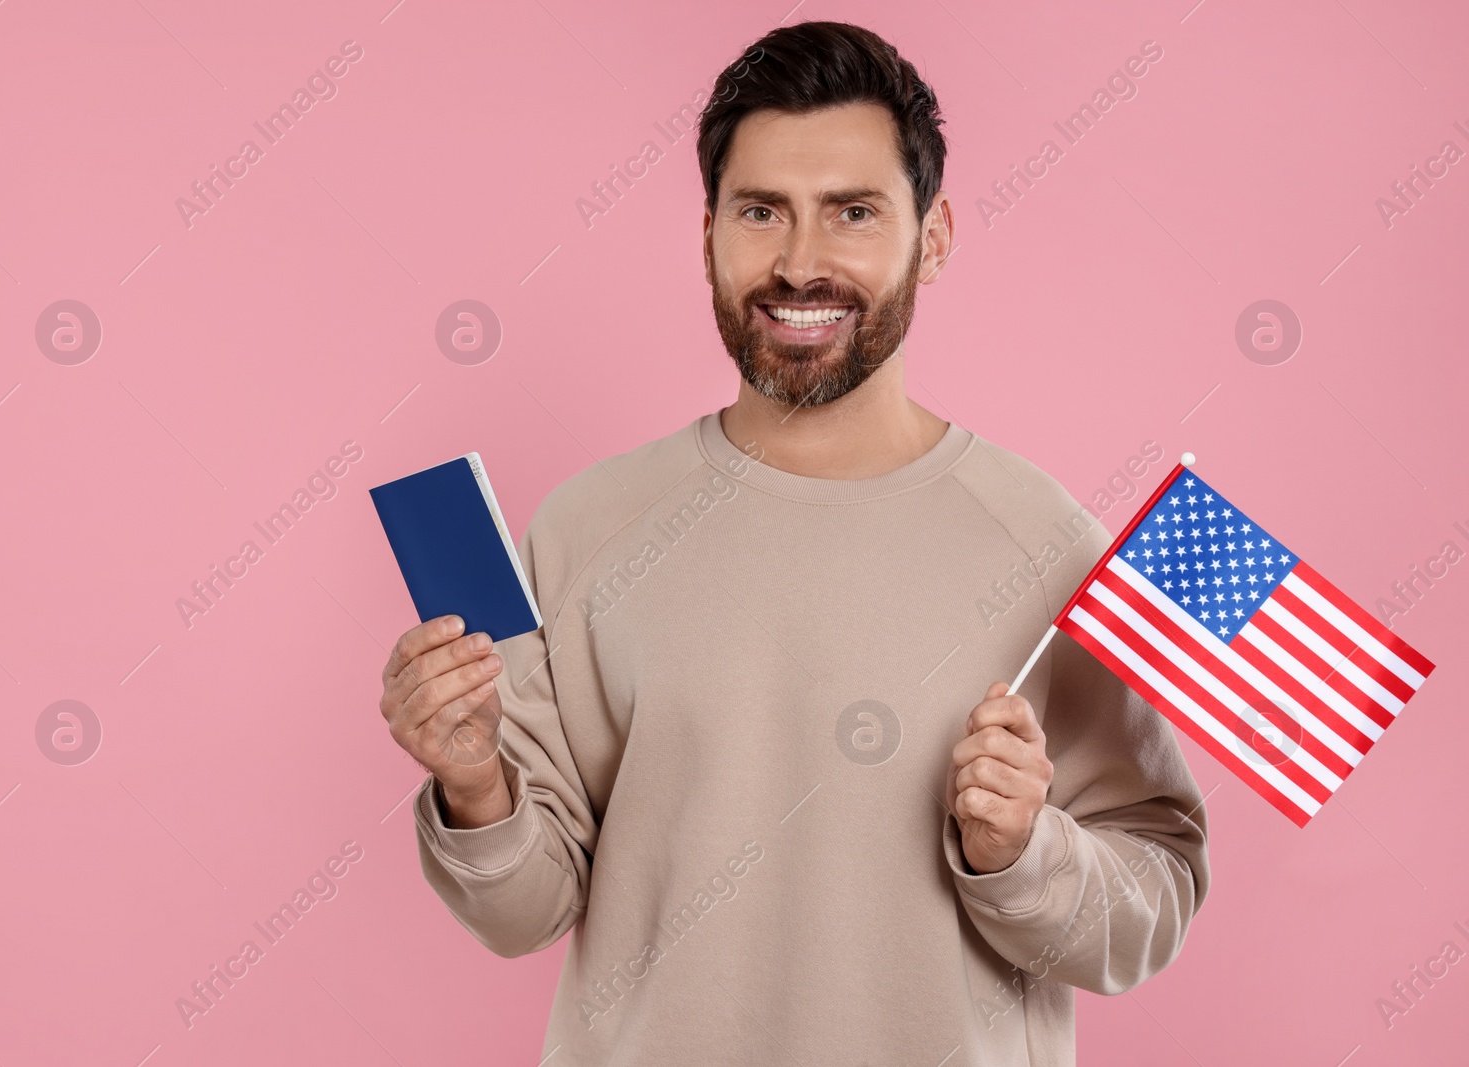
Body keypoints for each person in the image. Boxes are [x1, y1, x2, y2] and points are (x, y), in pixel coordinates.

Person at [380, 20, 1208, 1066]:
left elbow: (1155, 899)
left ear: (935, 234)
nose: (801, 263)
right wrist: (473, 784)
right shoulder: (588, 525)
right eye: (761, 211)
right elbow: (523, 908)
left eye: (853, 212)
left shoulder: (1051, 544)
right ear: (710, 234)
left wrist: (1023, 852)